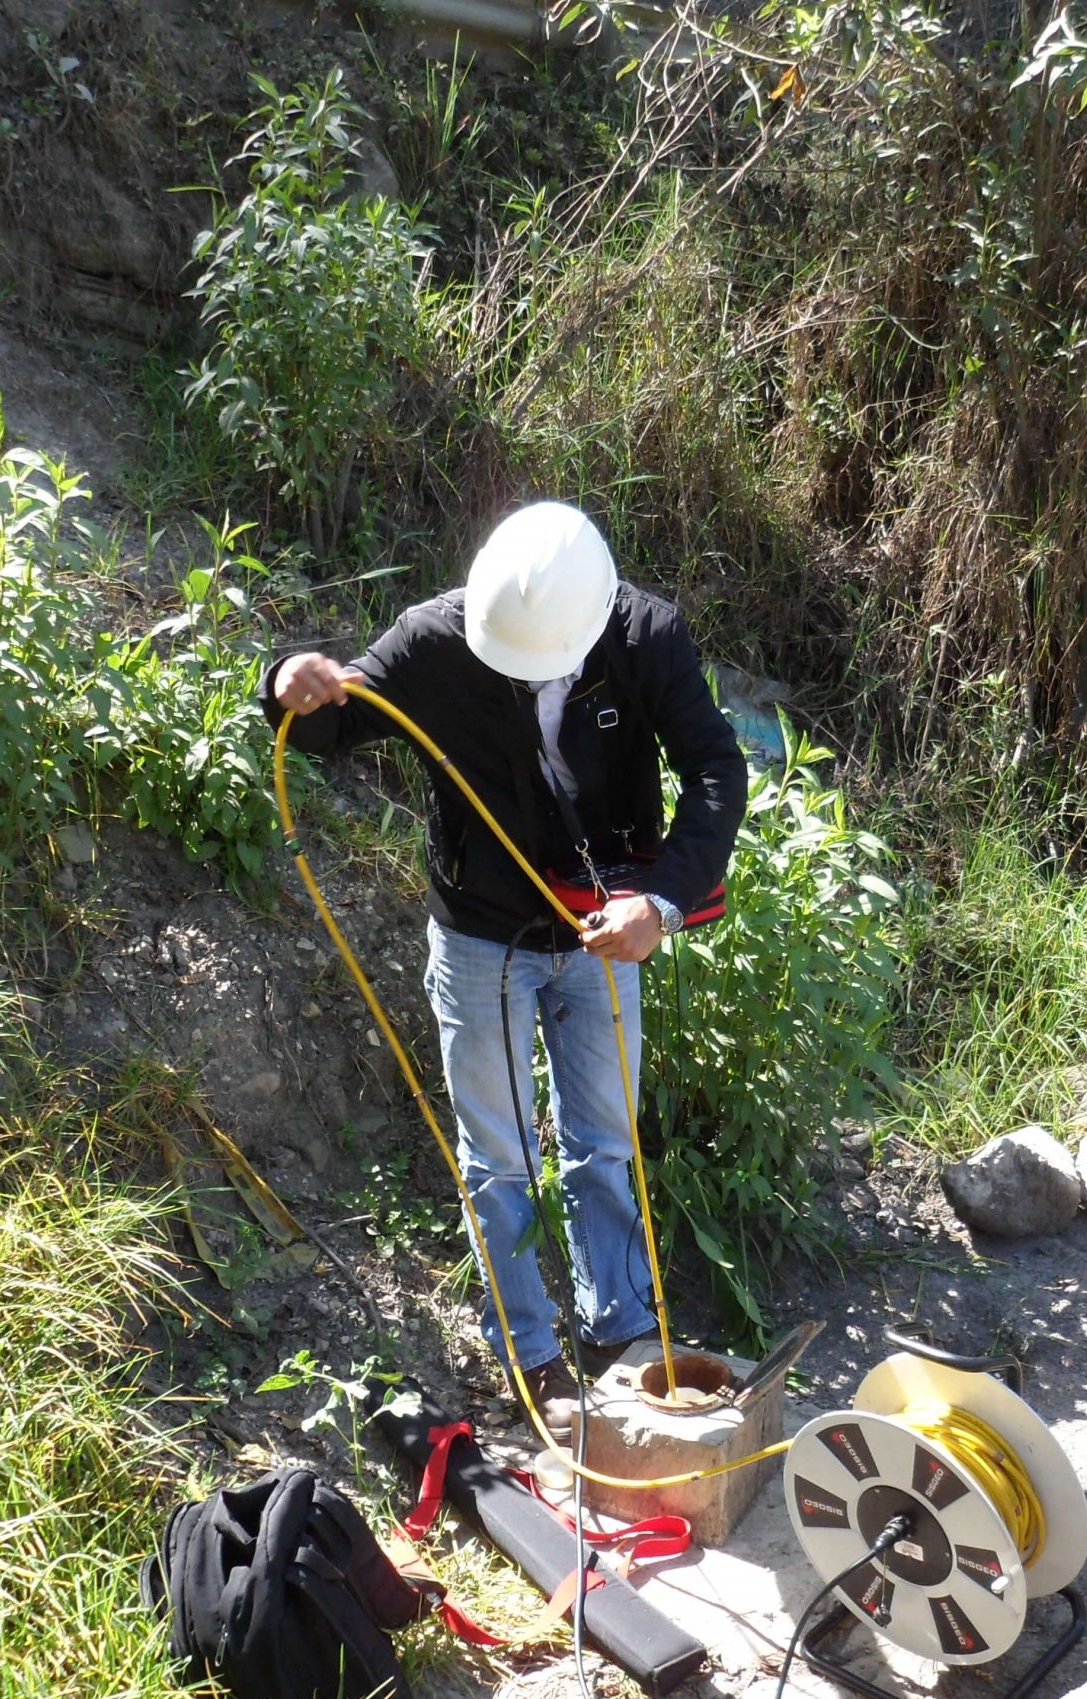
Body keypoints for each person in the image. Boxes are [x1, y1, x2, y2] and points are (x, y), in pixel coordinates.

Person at [264, 501, 748, 1430]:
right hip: (482, 936)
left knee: (607, 1142)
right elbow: (329, 721)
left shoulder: (646, 636)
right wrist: (290, 679)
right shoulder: (436, 644)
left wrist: (663, 905)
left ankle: (619, 1338)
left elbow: (717, 769)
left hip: (609, 928)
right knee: (499, 1159)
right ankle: (533, 1358)